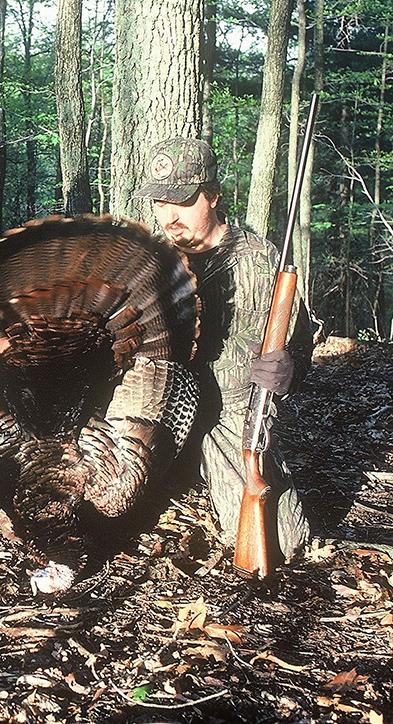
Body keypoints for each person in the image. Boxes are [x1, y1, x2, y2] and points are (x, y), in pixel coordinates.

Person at [137, 136, 311, 563]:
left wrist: (292, 367)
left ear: (213, 197)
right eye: (160, 203)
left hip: (228, 418)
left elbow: (300, 341)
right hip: (156, 409)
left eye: (182, 201)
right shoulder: (145, 262)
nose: (169, 216)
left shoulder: (262, 259)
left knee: (285, 544)